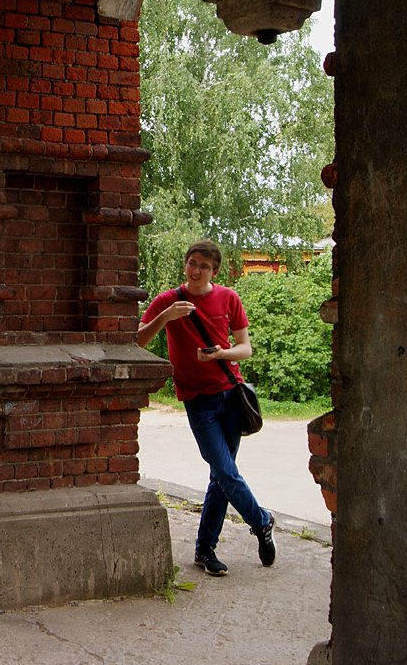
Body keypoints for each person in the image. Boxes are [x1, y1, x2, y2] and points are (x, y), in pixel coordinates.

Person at [136, 239, 275, 577]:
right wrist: (166, 317)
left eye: (203, 266)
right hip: (198, 401)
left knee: (221, 476)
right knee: (226, 472)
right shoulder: (168, 301)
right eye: (191, 263)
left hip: (230, 396)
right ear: (185, 265)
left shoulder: (229, 298)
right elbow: (137, 339)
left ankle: (204, 550)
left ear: (214, 271)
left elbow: (245, 348)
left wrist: (220, 354)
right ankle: (261, 522)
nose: (195, 270)